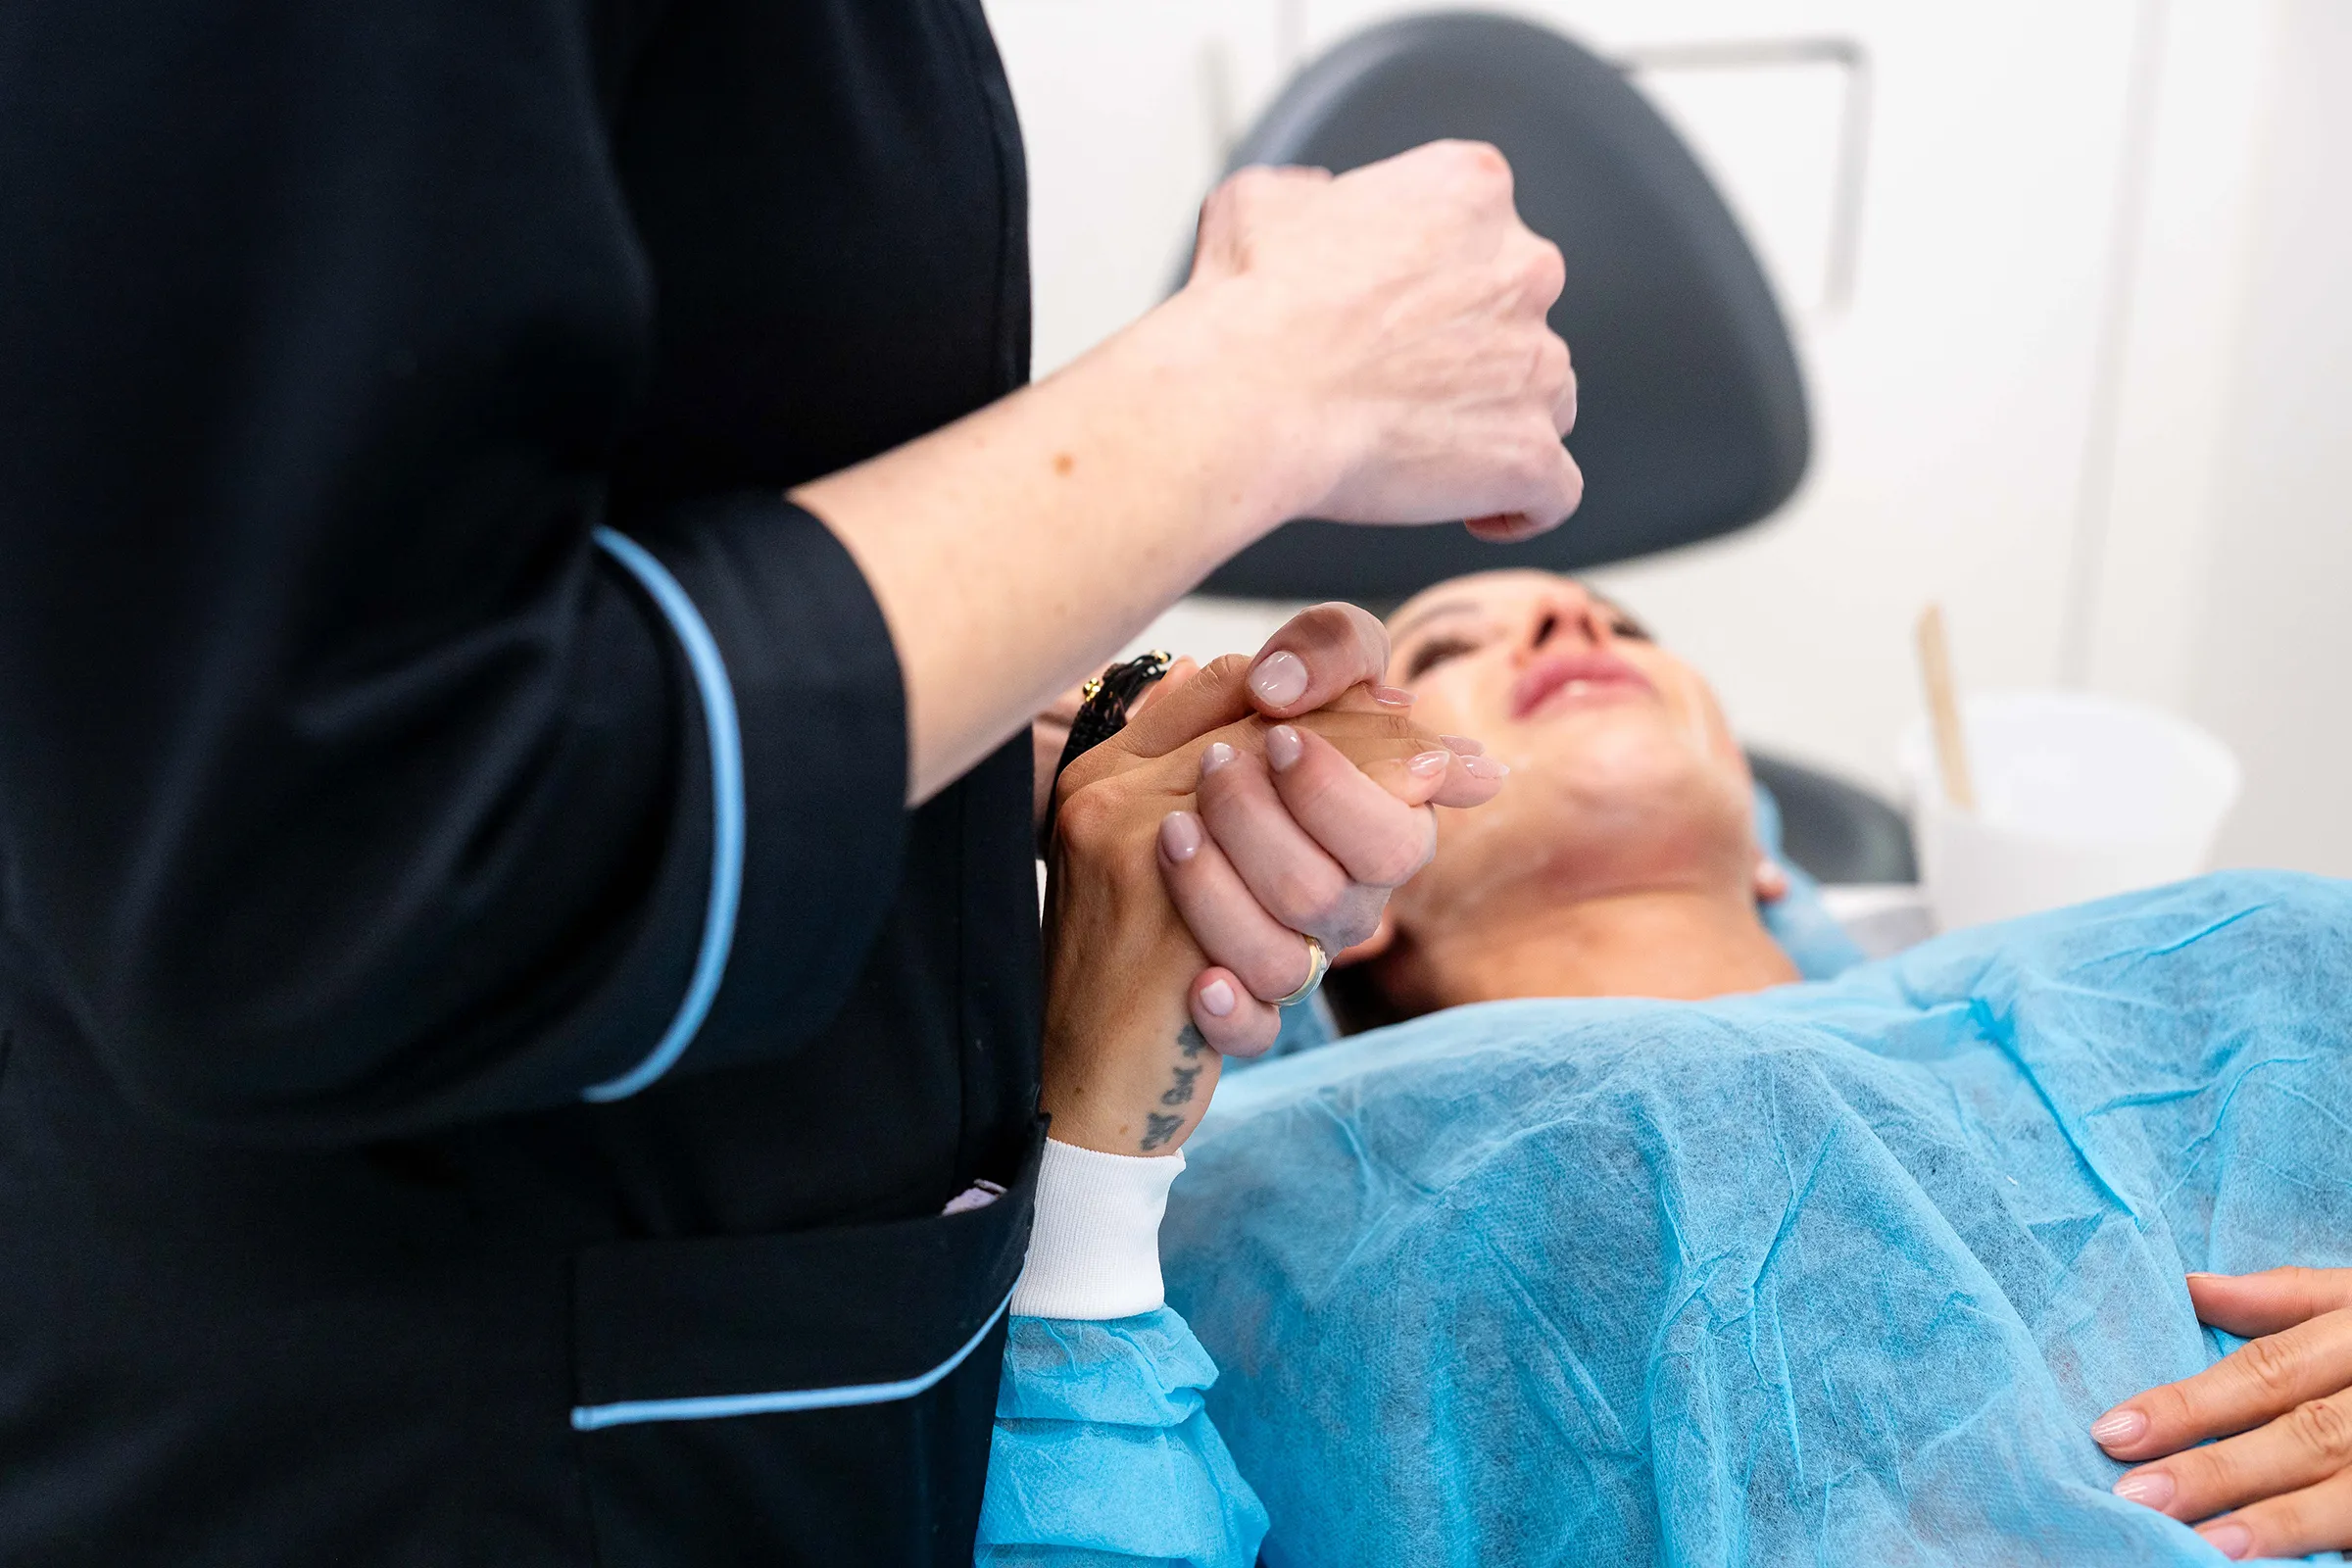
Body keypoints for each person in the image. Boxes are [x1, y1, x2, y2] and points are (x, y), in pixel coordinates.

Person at [0, 2, 1580, 1559]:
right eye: (1448, 639)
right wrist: (1263, 385)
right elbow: (317, 848)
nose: (1566, 623)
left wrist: (1013, 772)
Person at [989, 568, 2352, 1564]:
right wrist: (1097, 1169)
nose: (1571, 619)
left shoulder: (2244, 950)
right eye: (1453, 644)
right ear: (1360, 880)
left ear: (1766, 850)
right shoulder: (1284, 1175)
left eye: (1624, 624)